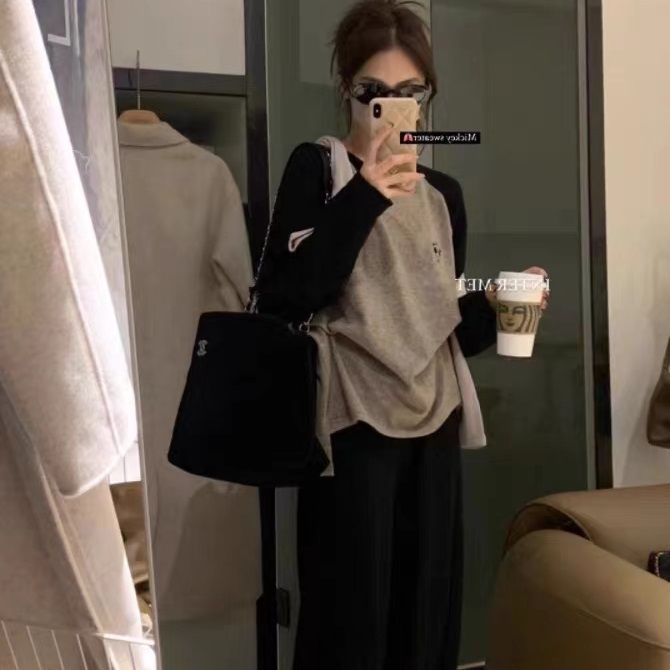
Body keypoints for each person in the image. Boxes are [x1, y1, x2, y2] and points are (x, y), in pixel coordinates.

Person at [255, 1, 550, 668]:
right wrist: (365, 195)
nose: (393, 109)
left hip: (434, 425)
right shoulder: (318, 170)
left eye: (411, 93)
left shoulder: (444, 194)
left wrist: (501, 306)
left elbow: (439, 327)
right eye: (375, 94)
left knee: (426, 613)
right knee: (348, 620)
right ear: (347, 92)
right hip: (352, 428)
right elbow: (283, 298)